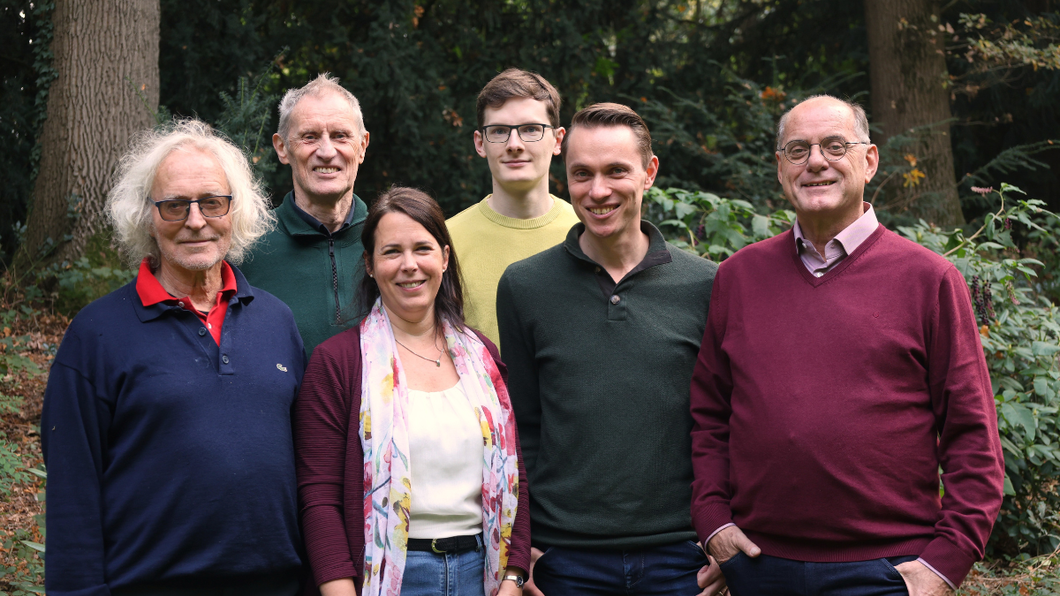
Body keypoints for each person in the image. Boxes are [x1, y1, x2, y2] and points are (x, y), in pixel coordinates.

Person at [689, 95, 1005, 596]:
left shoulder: (929, 280)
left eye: (835, 146)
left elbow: (972, 435)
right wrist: (712, 521)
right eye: (798, 150)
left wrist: (945, 564)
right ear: (780, 167)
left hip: (888, 572)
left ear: (870, 160)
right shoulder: (738, 277)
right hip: (757, 566)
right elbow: (709, 416)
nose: (816, 162)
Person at [41, 120, 306, 596]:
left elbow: (308, 470)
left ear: (235, 210)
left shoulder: (276, 321)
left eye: (212, 202)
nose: (196, 220)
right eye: (174, 205)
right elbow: (71, 494)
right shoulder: (96, 334)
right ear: (146, 216)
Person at [497, 103, 723, 595]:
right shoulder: (524, 286)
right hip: (564, 560)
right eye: (582, 174)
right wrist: (521, 547)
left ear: (649, 173)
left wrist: (721, 530)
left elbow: (723, 425)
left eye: (616, 171)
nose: (597, 191)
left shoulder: (707, 285)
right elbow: (521, 429)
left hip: (681, 557)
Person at [294, 187, 530, 596]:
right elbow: (319, 498)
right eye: (391, 252)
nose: (409, 265)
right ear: (369, 264)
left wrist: (513, 575)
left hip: (484, 572)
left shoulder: (482, 356)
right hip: (391, 579)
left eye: (422, 248)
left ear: (444, 257)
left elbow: (515, 475)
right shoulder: (338, 363)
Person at [447, 68, 580, 346]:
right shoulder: (445, 241)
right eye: (499, 131)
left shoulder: (586, 232)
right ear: (480, 143)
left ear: (558, 140)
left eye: (531, 129)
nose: (514, 145)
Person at [240, 73, 371, 356]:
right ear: (282, 148)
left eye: (340, 136)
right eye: (309, 137)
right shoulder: (245, 247)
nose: (326, 151)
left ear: (362, 146)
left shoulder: (389, 241)